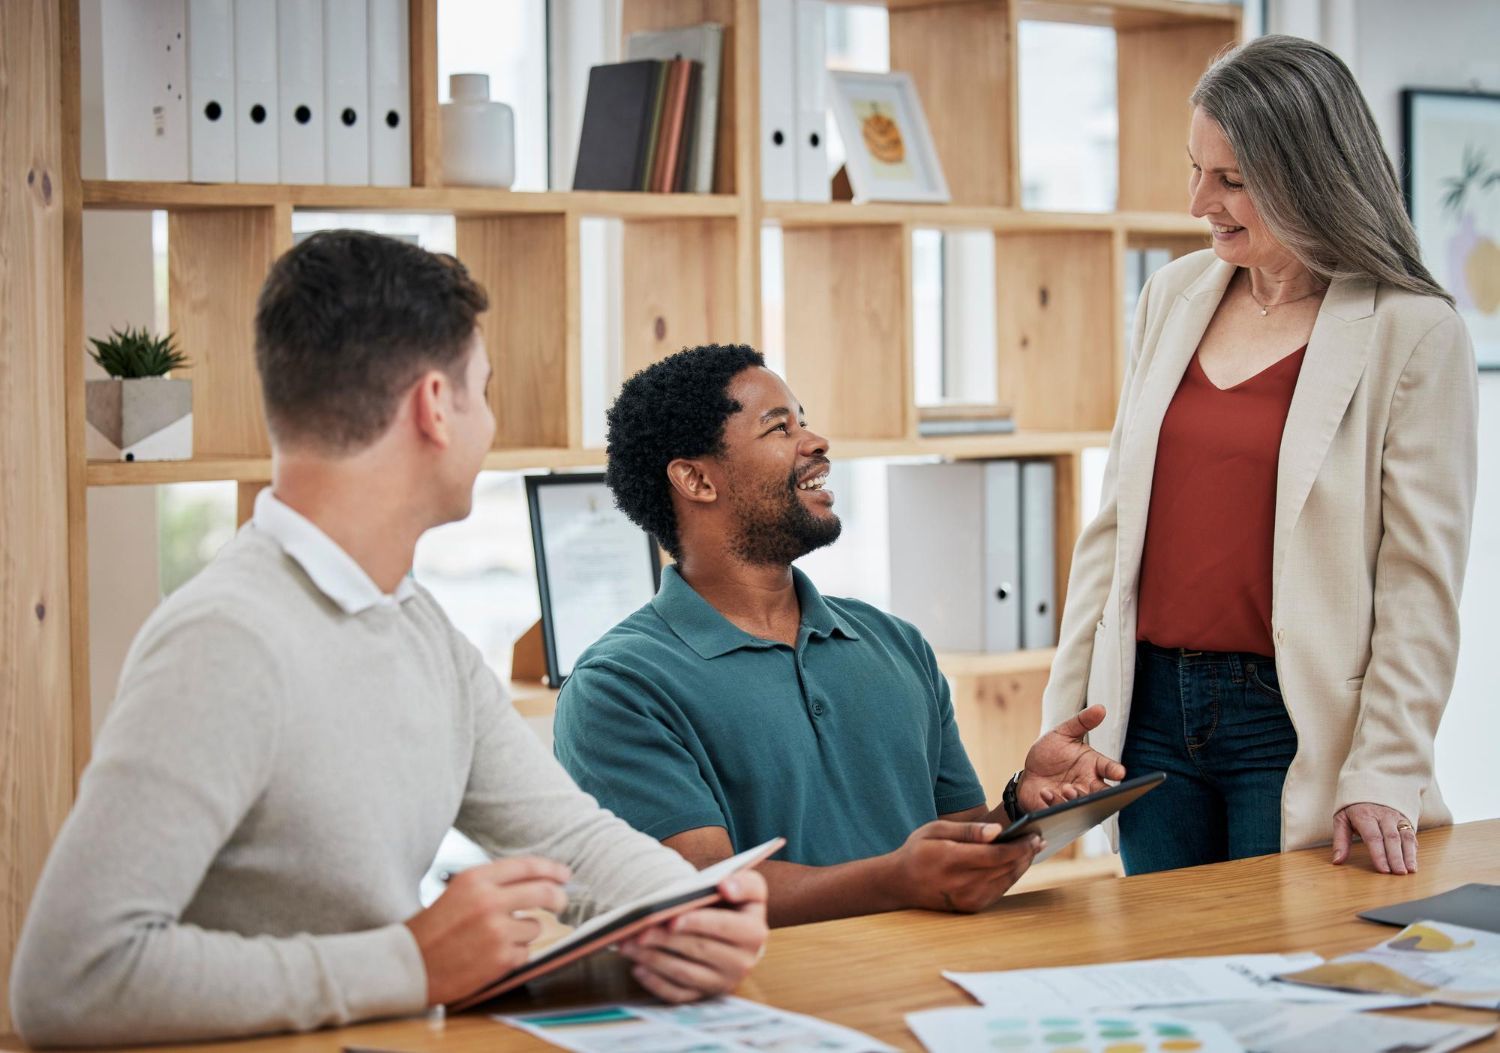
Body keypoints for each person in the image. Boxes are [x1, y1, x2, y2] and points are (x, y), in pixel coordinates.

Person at [9, 232, 768, 1047]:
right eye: (484, 390)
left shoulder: (415, 626)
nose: (491, 423)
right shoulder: (226, 641)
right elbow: (68, 978)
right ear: (435, 405)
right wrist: (407, 962)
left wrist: (688, 908)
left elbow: (568, 834)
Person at [1040, 35, 1477, 877]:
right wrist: (1067, 715)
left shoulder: (1413, 331)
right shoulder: (1172, 296)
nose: (1200, 199)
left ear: (1309, 176)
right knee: (1168, 980)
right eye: (1197, 168)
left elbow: (1419, 582)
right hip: (1148, 712)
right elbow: (1115, 527)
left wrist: (1386, 764)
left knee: (1292, 976)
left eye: (1232, 179)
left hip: (1291, 721)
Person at [552, 345, 1126, 928]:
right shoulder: (618, 687)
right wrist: (897, 878)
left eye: (803, 419)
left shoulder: (895, 644)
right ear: (697, 479)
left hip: (936, 990)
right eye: (779, 427)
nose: (816, 440)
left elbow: (955, 853)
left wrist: (1021, 806)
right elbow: (699, 890)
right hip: (771, 1006)